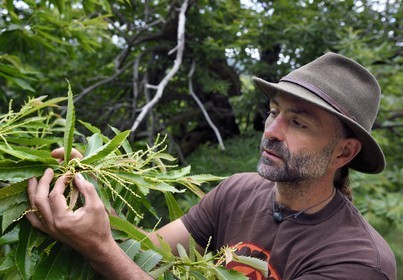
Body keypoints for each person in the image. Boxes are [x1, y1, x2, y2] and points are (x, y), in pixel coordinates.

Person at [26, 52, 397, 279]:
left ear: (343, 154)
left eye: (298, 123)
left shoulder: (357, 260)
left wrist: (100, 248)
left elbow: (111, 254)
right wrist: (91, 201)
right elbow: (143, 253)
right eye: (273, 112)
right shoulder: (238, 192)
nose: (272, 131)